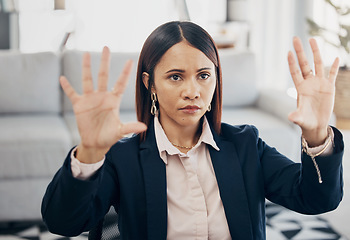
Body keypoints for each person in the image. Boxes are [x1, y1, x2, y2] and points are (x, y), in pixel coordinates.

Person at [41, 21, 344, 240]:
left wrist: (317, 135)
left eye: (203, 75)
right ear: (150, 84)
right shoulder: (123, 157)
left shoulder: (245, 145)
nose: (193, 91)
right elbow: (64, 223)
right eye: (175, 77)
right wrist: (90, 154)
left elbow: (316, 199)